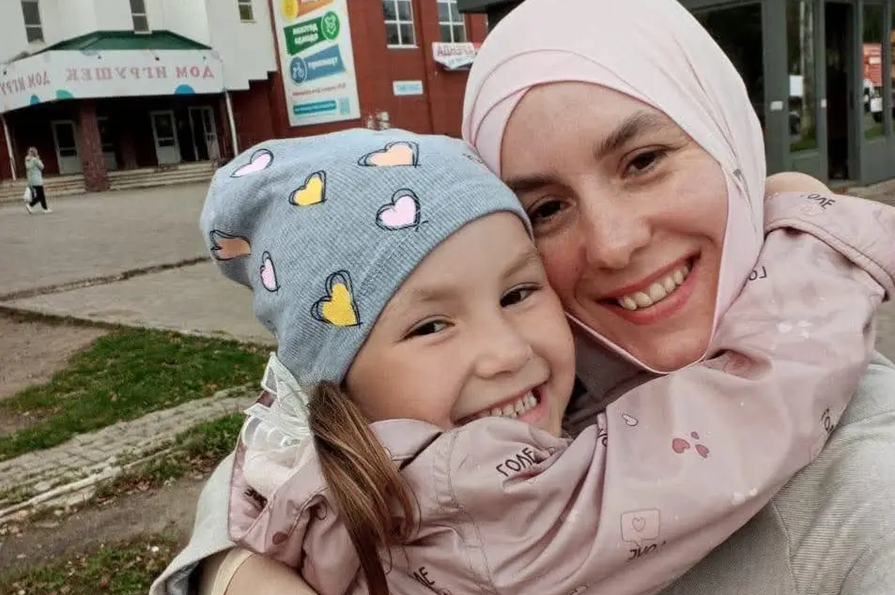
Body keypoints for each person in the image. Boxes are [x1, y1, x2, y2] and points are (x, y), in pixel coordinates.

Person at [151, 1, 895, 594]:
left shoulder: (867, 481)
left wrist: (223, 563)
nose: (613, 245)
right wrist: (812, 238)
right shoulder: (524, 406)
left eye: (643, 160)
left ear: (729, 139)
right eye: (545, 207)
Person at [23, 146, 51, 214]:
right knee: (40, 195)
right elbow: (42, 167)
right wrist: (38, 159)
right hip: (37, 180)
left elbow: (28, 169)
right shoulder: (35, 160)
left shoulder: (27, 160)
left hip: (31, 180)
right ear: (34, 152)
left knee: (41, 195)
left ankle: (45, 208)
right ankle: (30, 205)